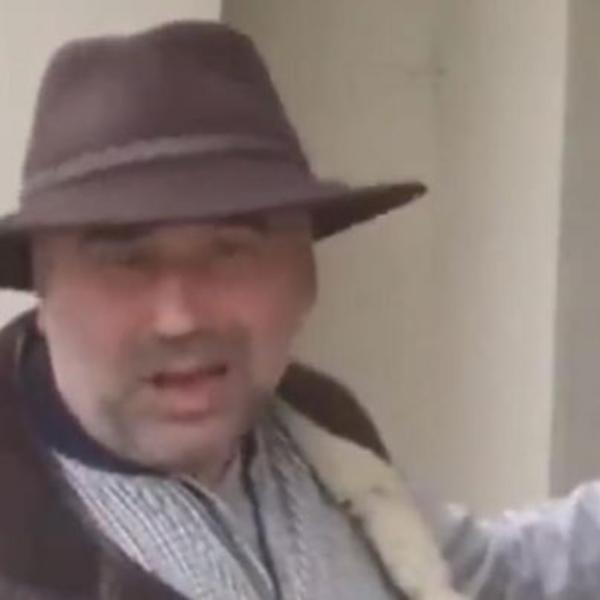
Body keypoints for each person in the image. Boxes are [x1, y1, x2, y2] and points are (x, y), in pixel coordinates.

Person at [0, 21, 459, 600]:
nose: (180, 318)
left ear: (305, 279)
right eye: (125, 261)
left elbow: (469, 562)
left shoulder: (325, 430)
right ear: (44, 292)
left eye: (230, 251)